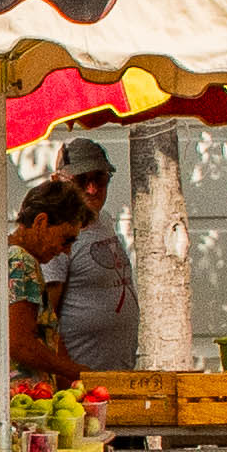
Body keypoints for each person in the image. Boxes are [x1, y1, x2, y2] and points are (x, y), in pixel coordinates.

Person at [0, 181, 89, 386]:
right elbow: (20, 344)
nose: (66, 250)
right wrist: (80, 373)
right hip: (9, 397)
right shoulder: (20, 261)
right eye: (66, 239)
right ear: (41, 222)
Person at [42, 139, 138, 374]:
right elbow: (46, 321)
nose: (92, 188)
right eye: (81, 180)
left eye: (100, 178)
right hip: (82, 381)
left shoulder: (102, 218)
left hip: (115, 374)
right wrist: (70, 378)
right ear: (59, 182)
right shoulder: (57, 233)